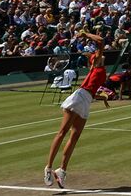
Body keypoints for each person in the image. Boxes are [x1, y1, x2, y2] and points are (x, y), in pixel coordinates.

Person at [44, 31, 114, 188]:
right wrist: (85, 33)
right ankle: (48, 168)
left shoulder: (100, 70)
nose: (101, 55)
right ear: (94, 60)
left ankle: (61, 170)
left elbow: (92, 90)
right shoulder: (97, 63)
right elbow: (101, 40)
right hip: (78, 98)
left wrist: (102, 98)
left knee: (74, 138)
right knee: (62, 133)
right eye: (98, 54)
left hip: (86, 101)